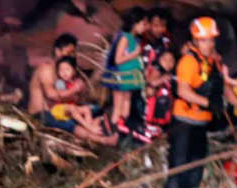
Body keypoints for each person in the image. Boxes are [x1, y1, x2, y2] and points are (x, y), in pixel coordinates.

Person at [164, 17, 234, 188]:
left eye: (211, 40)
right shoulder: (188, 62)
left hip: (201, 122)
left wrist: (227, 103)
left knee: (196, 162)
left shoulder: (213, 62)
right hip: (184, 120)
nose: (208, 44)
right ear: (195, 41)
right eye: (204, 40)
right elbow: (183, 91)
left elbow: (220, 87)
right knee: (179, 161)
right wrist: (207, 102)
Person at [29, 33, 118, 145]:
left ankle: (93, 129)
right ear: (58, 51)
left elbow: (76, 98)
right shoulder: (46, 69)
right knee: (70, 124)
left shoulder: (66, 71)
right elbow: (50, 95)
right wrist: (74, 90)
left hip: (62, 111)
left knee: (96, 109)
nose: (72, 56)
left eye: (74, 53)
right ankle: (102, 140)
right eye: (69, 52)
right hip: (42, 114)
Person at [102, 7, 149, 135]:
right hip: (121, 77)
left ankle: (122, 130)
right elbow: (118, 59)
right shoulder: (124, 38)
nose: (146, 27)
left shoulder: (135, 39)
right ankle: (112, 132)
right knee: (118, 107)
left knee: (126, 105)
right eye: (143, 24)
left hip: (130, 78)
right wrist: (134, 54)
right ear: (135, 23)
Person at [49, 57, 104, 135]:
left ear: (74, 71)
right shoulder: (60, 82)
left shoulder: (75, 81)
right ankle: (90, 128)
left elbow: (80, 97)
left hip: (71, 108)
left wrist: (81, 88)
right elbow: (62, 96)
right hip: (59, 109)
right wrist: (74, 89)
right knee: (73, 108)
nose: (64, 73)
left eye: (67, 69)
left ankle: (89, 130)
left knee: (86, 109)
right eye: (61, 70)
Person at [134, 49, 176, 143]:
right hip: (146, 126)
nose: (168, 63)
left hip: (162, 127)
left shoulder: (172, 80)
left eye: (171, 60)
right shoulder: (154, 75)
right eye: (165, 59)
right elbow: (148, 91)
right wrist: (160, 80)